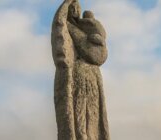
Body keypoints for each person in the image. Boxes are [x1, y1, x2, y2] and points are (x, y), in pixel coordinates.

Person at [51, 0, 110, 140]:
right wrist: (66, 4)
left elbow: (96, 55)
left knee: (92, 118)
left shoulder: (83, 34)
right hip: (78, 76)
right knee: (79, 116)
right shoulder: (69, 28)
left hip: (91, 78)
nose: (76, 11)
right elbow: (59, 22)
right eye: (74, 7)